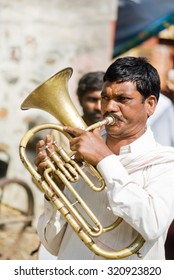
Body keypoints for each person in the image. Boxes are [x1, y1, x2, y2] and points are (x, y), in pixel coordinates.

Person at [35, 56, 174, 260]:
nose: (109, 107)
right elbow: (52, 245)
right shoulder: (80, 160)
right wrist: (54, 192)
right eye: (105, 98)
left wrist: (105, 160)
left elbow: (152, 224)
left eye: (122, 99)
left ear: (150, 105)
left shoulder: (166, 163)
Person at [38, 70, 104, 259]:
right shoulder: (56, 133)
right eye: (92, 99)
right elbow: (43, 182)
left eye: (102, 100)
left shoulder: (112, 136)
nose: (98, 107)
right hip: (61, 215)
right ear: (80, 99)